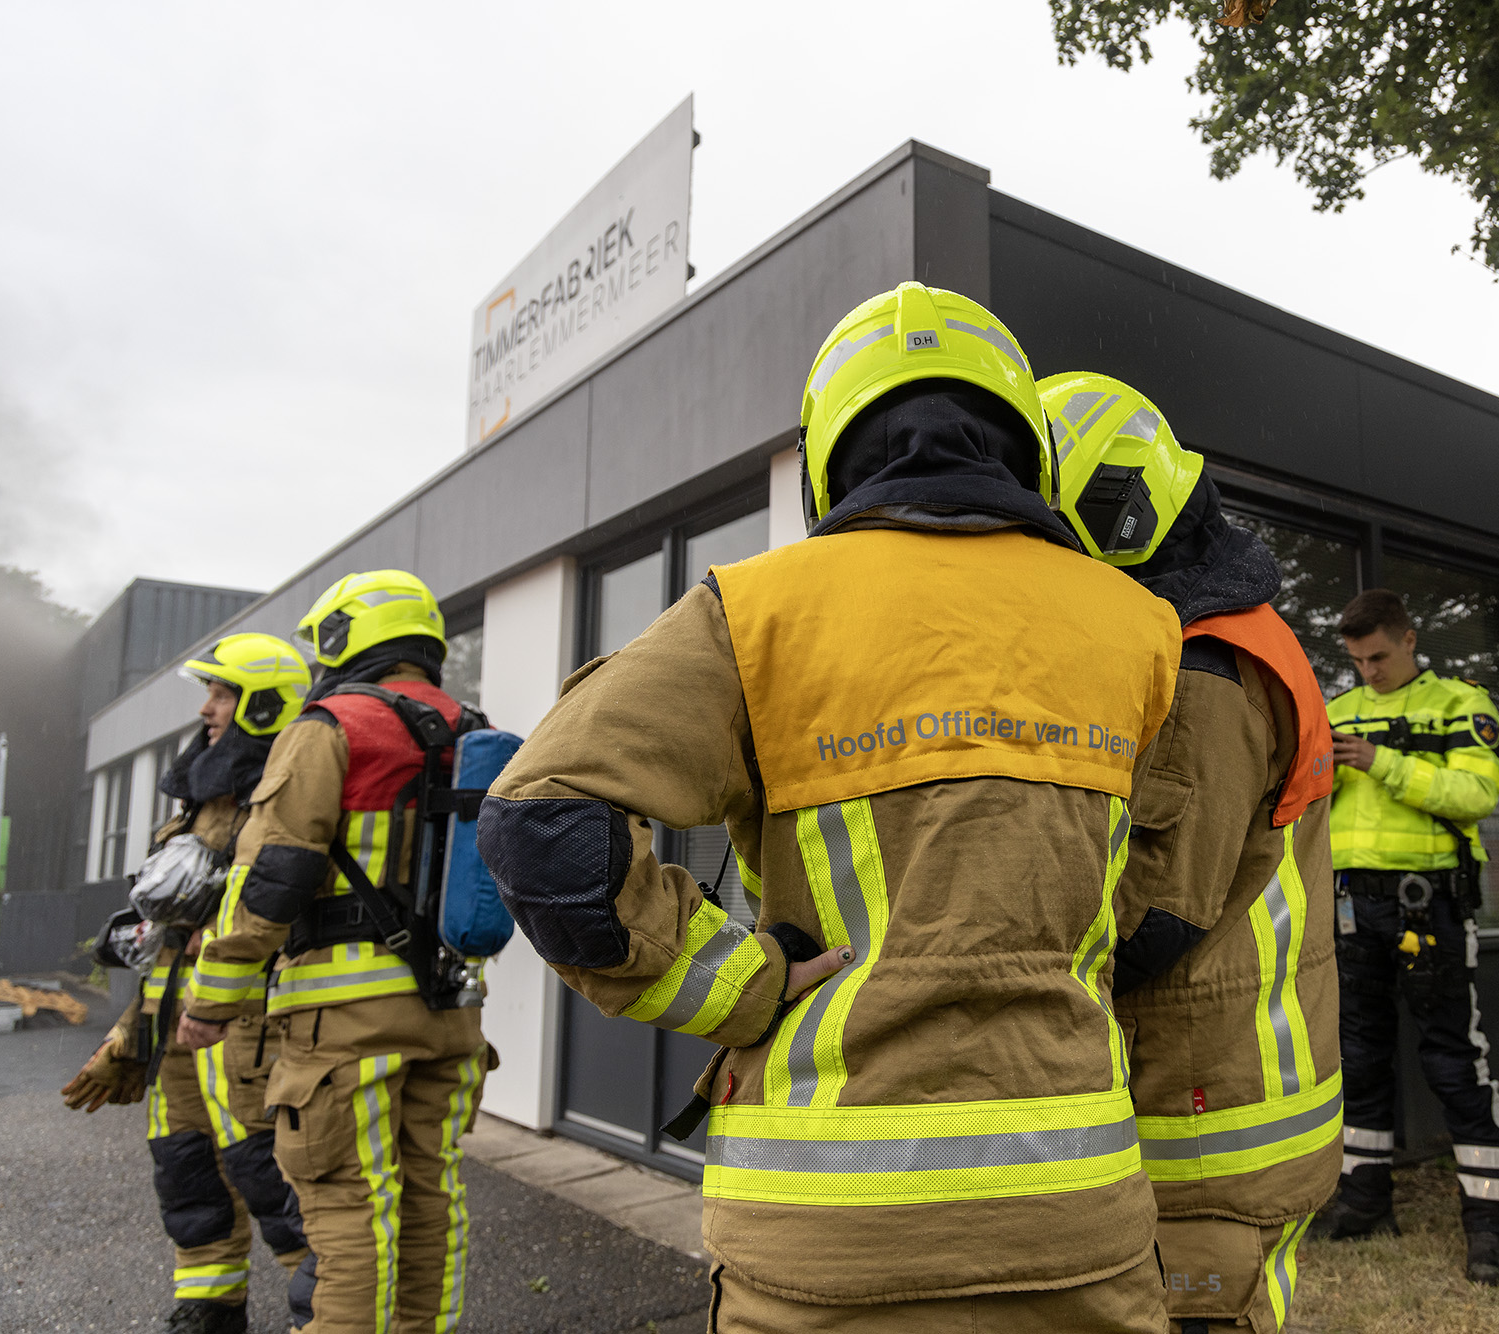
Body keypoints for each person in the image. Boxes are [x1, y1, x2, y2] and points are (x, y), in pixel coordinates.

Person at [479, 282, 1185, 1332]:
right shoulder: (1138, 629)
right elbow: (1156, 893)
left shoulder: (755, 612)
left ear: (828, 454)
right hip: (1074, 1216)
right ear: (1021, 442)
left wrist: (736, 989)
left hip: (826, 1229)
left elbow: (541, 820)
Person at [1041, 371, 1341, 1333]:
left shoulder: (1204, 669)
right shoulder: (1228, 633)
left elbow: (1155, 915)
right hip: (1228, 1087)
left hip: (1209, 1112)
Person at [180, 572, 494, 1333]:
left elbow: (272, 878)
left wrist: (211, 1001)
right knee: (430, 1201)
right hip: (452, 1012)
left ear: (345, 635)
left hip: (344, 1023)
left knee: (349, 1211)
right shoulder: (476, 731)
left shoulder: (333, 724)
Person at [63, 633, 316, 1334]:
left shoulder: (288, 798)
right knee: (187, 1176)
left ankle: (325, 1317)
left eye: (223, 693)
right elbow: (172, 937)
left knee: (277, 1186)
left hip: (250, 1034)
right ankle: (208, 1312)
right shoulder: (199, 800)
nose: (207, 708)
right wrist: (131, 1034)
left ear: (262, 707)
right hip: (177, 1032)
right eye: (209, 692)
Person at [1315, 588, 1499, 1285]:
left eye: (1377, 656)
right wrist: (1326, 775)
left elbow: (1474, 796)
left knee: (1455, 1065)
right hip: (1349, 909)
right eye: (1356, 660)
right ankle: (1364, 1205)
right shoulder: (1334, 712)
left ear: (1408, 639)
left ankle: (1490, 1231)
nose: (1367, 671)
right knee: (1360, 1061)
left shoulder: (1462, 704)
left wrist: (1380, 763)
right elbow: (1307, 807)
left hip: (1428, 907)